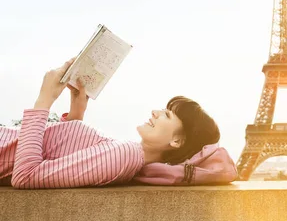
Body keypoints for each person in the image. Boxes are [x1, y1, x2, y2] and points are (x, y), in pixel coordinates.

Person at [0, 58, 222, 188]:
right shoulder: (128, 153)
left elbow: (26, 175)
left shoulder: (126, 155)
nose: (155, 112)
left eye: (167, 115)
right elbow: (59, 156)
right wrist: (78, 111)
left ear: (177, 140)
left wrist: (45, 99)